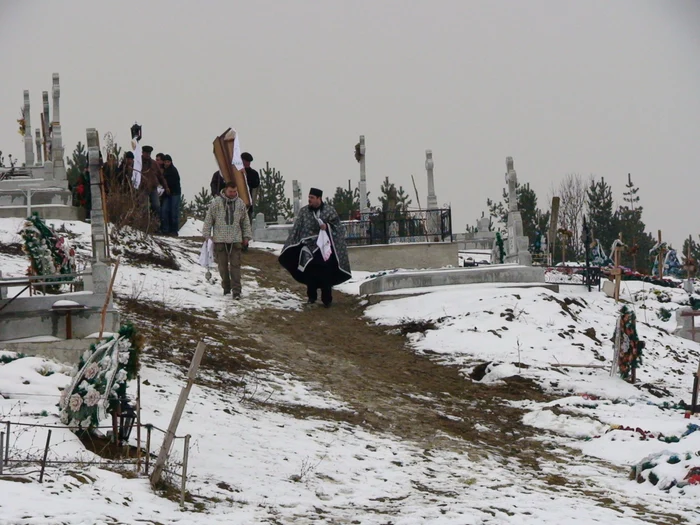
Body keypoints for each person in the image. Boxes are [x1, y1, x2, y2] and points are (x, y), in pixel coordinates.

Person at [279, 188, 352, 308]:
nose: (310, 200)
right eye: (309, 198)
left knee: (326, 273)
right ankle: (311, 297)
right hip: (308, 247)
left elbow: (338, 228)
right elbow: (297, 229)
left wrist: (326, 227)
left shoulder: (329, 211)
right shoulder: (304, 212)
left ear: (319, 198)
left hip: (325, 248)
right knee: (310, 272)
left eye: (312, 198)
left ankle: (327, 299)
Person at [202, 182, 253, 299]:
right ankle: (226, 287)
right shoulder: (216, 203)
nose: (233, 194)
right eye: (231, 191)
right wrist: (207, 235)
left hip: (236, 240)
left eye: (235, 191)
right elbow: (209, 219)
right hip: (220, 239)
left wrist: (246, 237)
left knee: (235, 266)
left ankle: (236, 291)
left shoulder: (240, 204)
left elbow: (245, 222)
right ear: (225, 190)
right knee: (222, 266)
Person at [140, 145, 169, 218]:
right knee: (144, 207)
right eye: (146, 153)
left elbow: (161, 176)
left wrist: (166, 187)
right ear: (142, 153)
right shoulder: (138, 162)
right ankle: (144, 223)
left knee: (157, 205)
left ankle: (155, 222)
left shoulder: (154, 163)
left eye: (149, 153)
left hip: (153, 188)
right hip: (143, 188)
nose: (148, 154)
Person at [161, 154, 181, 236]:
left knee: (174, 212)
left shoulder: (173, 170)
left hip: (175, 193)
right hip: (166, 194)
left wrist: (166, 186)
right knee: (164, 210)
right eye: (165, 162)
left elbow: (174, 182)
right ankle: (166, 229)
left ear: (171, 162)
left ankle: (174, 230)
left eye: (168, 162)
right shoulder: (162, 170)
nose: (166, 163)